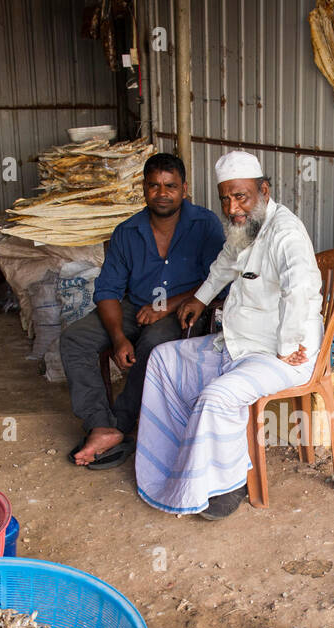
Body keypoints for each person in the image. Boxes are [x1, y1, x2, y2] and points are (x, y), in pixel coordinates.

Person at [135, 150, 324, 520]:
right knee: (163, 359)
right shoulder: (247, 225)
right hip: (240, 342)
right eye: (226, 198)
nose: (233, 206)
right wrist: (200, 299)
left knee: (217, 396)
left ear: (263, 190)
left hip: (284, 354)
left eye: (241, 196)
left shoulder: (284, 233)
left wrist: (287, 346)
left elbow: (300, 290)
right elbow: (225, 262)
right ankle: (181, 456)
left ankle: (224, 488)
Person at [60, 153, 225, 469]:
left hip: (183, 310)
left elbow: (217, 280)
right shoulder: (127, 231)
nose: (162, 193)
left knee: (154, 344)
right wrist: (119, 337)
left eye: (170, 186)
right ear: (143, 189)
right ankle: (99, 424)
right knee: (74, 339)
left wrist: (165, 306)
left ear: (184, 189)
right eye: (154, 186)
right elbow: (107, 291)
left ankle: (119, 425)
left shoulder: (205, 225)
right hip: (133, 307)